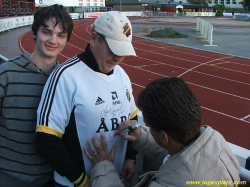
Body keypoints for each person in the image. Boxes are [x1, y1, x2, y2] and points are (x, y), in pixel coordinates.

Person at [35, 11, 139, 187]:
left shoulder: (122, 75)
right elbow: (46, 140)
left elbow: (131, 120)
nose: (119, 58)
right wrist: (81, 180)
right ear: (94, 37)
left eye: (123, 52)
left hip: (114, 179)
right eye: (113, 49)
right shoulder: (66, 76)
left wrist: (130, 157)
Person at [85, 77, 241, 187]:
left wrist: (103, 167)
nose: (147, 129)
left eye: (149, 127)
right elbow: (187, 159)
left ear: (164, 136)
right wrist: (142, 137)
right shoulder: (218, 143)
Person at [0, 4, 73, 187]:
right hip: (8, 178)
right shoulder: (6, 73)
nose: (53, 40)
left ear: (66, 40)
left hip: (50, 179)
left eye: (60, 35)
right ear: (34, 33)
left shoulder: (65, 80)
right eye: (46, 32)